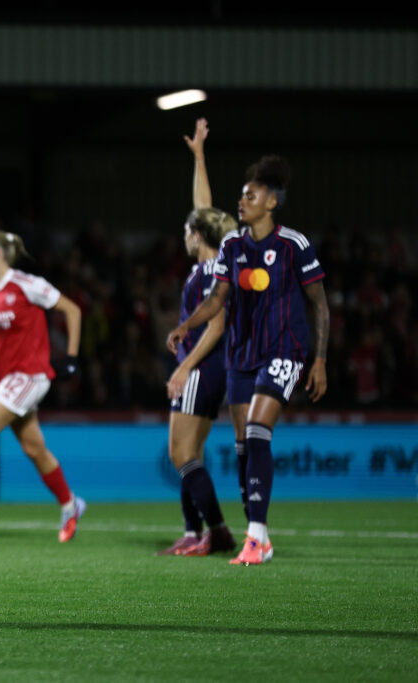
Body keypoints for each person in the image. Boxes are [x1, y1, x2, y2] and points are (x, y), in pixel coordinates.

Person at [166, 125, 329, 566]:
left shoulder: (294, 245)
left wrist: (319, 359)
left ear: (272, 202)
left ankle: (251, 534)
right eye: (241, 195)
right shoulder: (233, 246)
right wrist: (185, 326)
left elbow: (319, 304)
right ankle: (248, 531)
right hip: (241, 356)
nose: (241, 202)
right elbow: (217, 299)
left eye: (250, 196)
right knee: (242, 444)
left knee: (251, 433)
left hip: (282, 351)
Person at [0, 230, 86, 542]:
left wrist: (72, 356)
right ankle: (71, 504)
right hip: (6, 377)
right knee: (34, 448)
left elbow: (73, 310)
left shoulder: (27, 284)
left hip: (30, 375)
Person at [157, 118, 238, 557]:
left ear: (199, 236)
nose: (184, 234)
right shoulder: (214, 264)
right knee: (192, 455)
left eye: (189, 230)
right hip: (212, 369)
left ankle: (216, 531)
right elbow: (204, 209)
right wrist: (200, 156)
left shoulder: (211, 271)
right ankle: (194, 532)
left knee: (180, 454)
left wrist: (184, 368)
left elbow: (216, 325)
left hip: (202, 368)